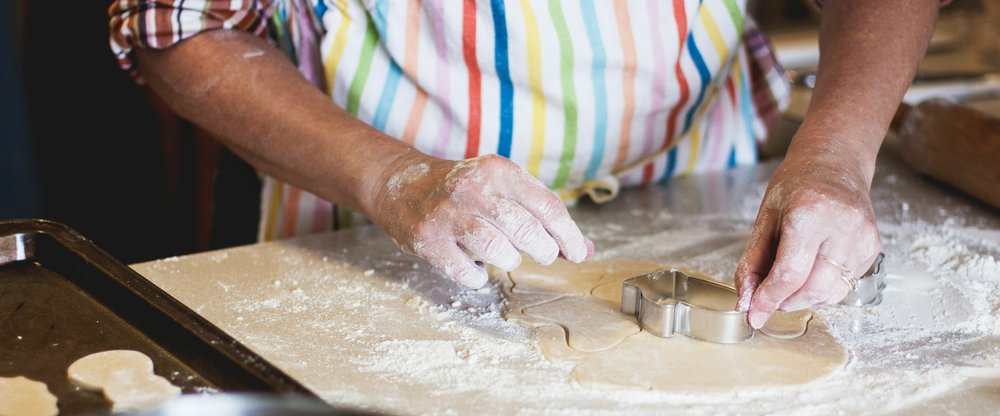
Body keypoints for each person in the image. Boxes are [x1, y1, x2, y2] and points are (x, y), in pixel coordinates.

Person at [108, 0, 944, 329]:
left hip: (705, 202)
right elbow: (173, 27)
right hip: (383, 240)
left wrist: (835, 156)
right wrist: (393, 180)